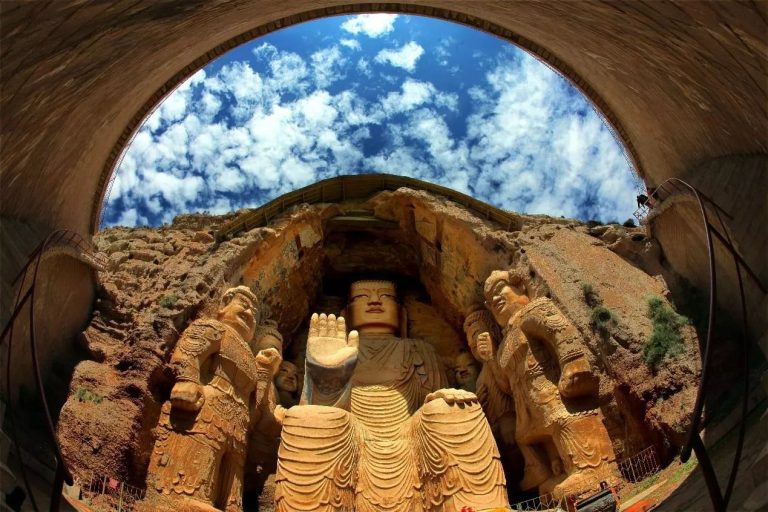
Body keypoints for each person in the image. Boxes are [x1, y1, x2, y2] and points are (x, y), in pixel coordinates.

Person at [274, 280, 509, 512]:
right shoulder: (334, 346)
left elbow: (433, 397)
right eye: (362, 297)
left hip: (411, 435)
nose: (375, 301)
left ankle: (478, 507)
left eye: (385, 296)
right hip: (351, 439)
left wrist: (443, 398)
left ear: (401, 314)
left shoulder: (419, 349)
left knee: (453, 410)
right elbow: (311, 409)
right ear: (347, 313)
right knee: (309, 419)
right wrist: (328, 384)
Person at [146, 286, 281, 511]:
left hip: (237, 425)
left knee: (231, 481)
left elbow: (253, 408)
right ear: (224, 304)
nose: (249, 314)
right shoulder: (215, 328)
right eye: (243, 306)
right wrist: (187, 379)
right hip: (206, 409)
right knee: (198, 460)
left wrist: (265, 371)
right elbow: (188, 352)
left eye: (253, 314)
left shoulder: (249, 356)